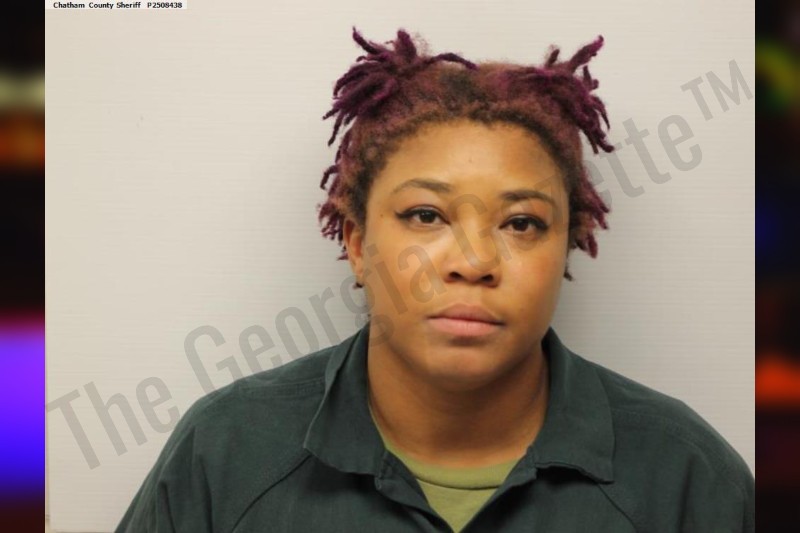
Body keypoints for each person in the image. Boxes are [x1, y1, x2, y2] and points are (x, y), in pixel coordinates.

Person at [115, 27, 755, 532]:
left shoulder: (687, 477)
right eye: (426, 215)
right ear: (357, 243)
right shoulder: (225, 453)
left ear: (566, 246)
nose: (472, 263)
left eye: (522, 223)